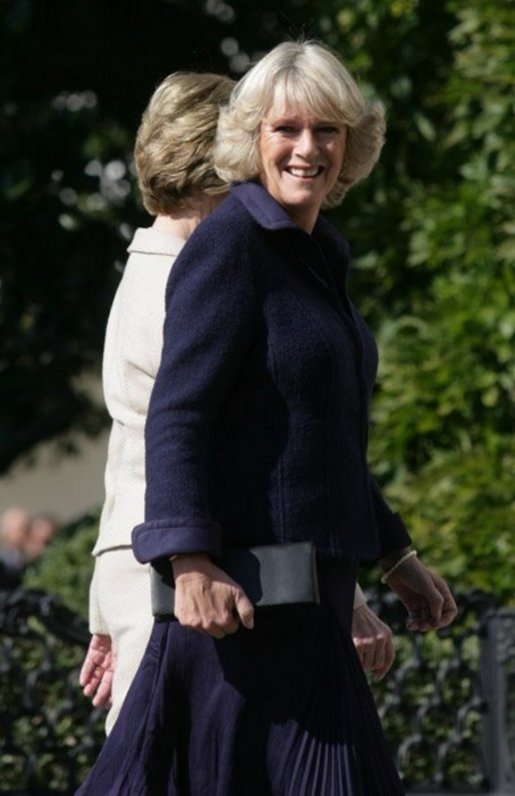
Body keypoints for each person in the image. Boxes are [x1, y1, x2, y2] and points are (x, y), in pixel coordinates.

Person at [76, 40, 457, 794]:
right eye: (285, 129)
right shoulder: (232, 244)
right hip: (238, 621)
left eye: (326, 131)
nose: (305, 148)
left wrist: (394, 555)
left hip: (307, 613)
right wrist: (188, 561)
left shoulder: (312, 254)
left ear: (351, 144)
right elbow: (177, 416)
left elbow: (320, 437)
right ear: (250, 138)